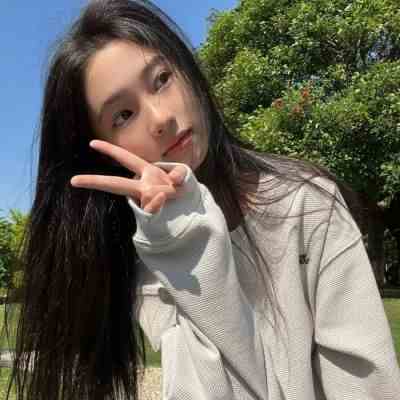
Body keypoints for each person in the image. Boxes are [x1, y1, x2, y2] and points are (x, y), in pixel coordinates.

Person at [3, 0, 399, 399]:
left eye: (161, 79)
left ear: (189, 71)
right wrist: (185, 243)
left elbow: (369, 388)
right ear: (106, 152)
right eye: (123, 115)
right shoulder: (147, 258)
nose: (160, 118)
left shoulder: (307, 205)